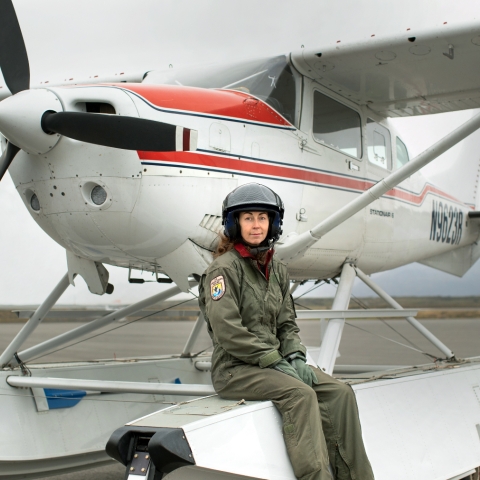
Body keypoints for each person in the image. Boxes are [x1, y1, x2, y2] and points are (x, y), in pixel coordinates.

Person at [198, 183, 374, 480]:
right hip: (236, 369)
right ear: (234, 223)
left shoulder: (276, 269)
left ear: (273, 223)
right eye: (248, 218)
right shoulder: (223, 271)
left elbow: (287, 323)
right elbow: (228, 332)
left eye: (262, 218)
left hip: (276, 364)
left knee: (340, 393)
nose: (256, 225)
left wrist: (293, 356)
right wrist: (273, 360)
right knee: (300, 394)